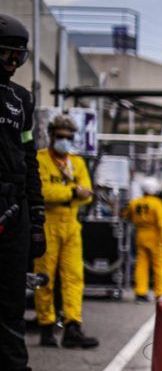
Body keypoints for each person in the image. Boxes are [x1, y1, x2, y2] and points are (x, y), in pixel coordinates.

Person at [0, 13, 68, 371]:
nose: (13, 62)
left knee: (11, 306)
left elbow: (28, 160)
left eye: (19, 56)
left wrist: (37, 217)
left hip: (15, 213)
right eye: (7, 53)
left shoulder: (20, 100)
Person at [34, 114, 99, 349]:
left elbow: (88, 193)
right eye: (61, 136)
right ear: (51, 135)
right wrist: (72, 192)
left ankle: (73, 326)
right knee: (45, 278)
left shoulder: (76, 162)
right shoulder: (40, 159)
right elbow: (42, 192)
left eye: (69, 137)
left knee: (74, 278)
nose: (65, 140)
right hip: (47, 225)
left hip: (71, 225)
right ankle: (46, 327)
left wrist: (70, 193)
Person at [123, 177, 162, 302]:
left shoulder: (135, 202)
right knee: (158, 266)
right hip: (155, 237)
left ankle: (140, 292)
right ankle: (159, 293)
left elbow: (125, 214)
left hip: (140, 235)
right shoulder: (157, 203)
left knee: (141, 265)